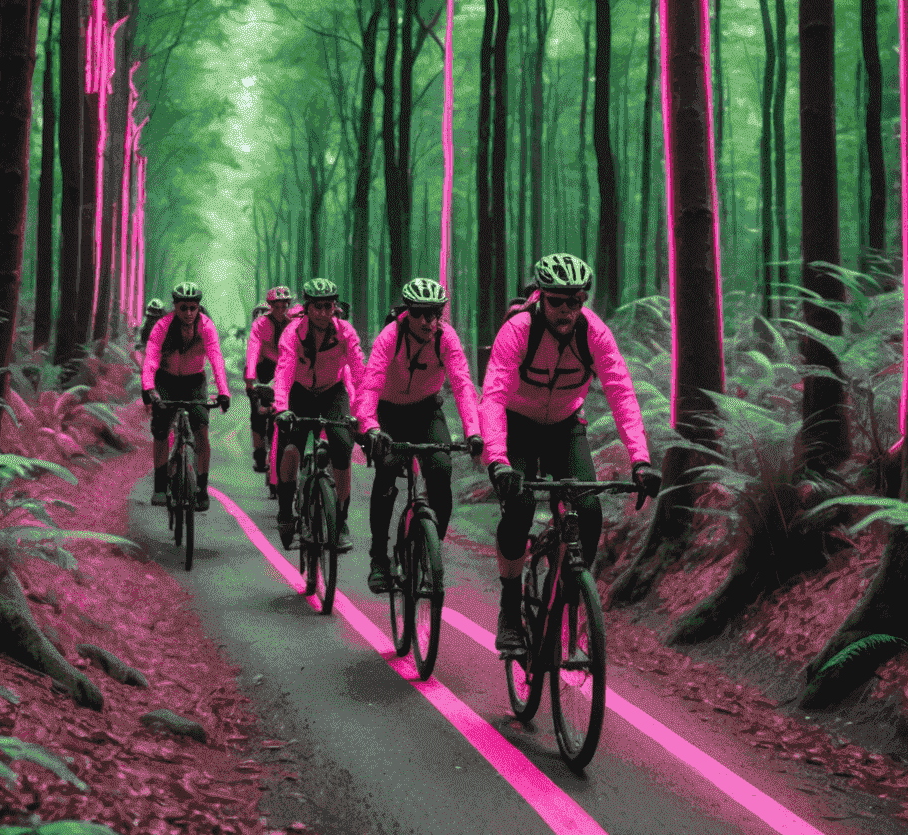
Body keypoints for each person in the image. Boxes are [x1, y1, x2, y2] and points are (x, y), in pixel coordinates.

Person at [479, 253, 660, 658]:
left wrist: (640, 460)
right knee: (520, 507)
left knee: (590, 511)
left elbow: (621, 393)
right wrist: (498, 460)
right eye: (558, 301)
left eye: (575, 300)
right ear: (541, 297)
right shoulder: (518, 331)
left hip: (565, 425)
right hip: (518, 424)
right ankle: (510, 605)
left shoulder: (594, 333)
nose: (566, 310)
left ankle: (567, 602)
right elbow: (492, 397)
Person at [355, 277, 482, 594]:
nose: (430, 321)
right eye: (422, 313)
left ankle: (430, 548)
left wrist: (474, 431)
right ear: (408, 313)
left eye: (436, 313)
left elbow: (463, 385)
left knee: (441, 468)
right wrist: (370, 427)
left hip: (426, 410)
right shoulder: (390, 337)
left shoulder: (445, 337)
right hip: (389, 412)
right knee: (386, 472)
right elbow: (370, 386)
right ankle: (379, 560)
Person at [272, 277, 364, 553]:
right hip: (299, 393)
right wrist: (282, 408)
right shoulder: (292, 333)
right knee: (290, 448)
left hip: (332, 391)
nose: (324, 313)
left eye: (329, 306)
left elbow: (361, 372)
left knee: (342, 445)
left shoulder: (345, 332)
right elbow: (285, 371)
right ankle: (286, 510)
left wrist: (363, 412)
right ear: (308, 308)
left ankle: (341, 521)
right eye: (318, 307)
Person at [141, 281, 231, 511]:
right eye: (183, 308)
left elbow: (216, 360)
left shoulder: (206, 327)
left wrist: (223, 391)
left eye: (193, 308)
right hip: (166, 379)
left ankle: (201, 487)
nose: (189, 313)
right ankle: (160, 486)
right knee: (161, 429)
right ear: (175, 306)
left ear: (198, 307)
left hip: (194, 381)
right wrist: (149, 388)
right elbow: (151, 358)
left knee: (201, 429)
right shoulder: (162, 326)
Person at [245, 286, 296, 474]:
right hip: (263, 370)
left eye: (285, 305)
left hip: (284, 371)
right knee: (258, 414)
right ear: (270, 305)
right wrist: (251, 378)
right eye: (277, 305)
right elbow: (253, 349)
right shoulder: (260, 324)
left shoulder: (293, 323)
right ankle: (259, 454)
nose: (281, 309)